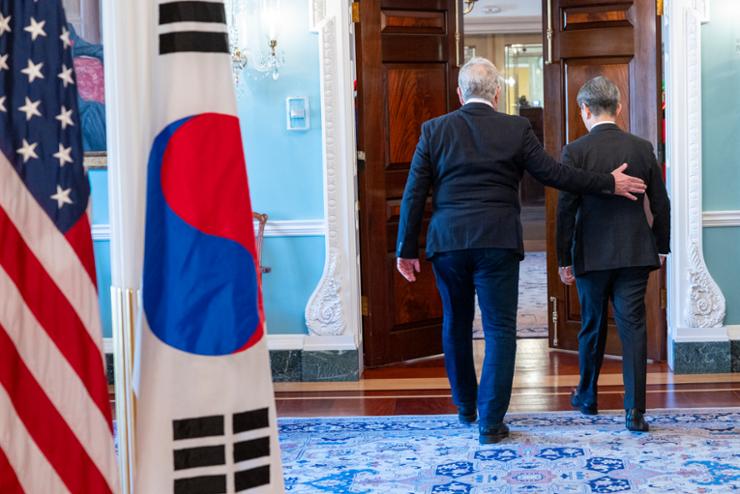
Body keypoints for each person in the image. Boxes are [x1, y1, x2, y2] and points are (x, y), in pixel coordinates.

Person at [395, 58, 647, 444]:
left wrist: (405, 248)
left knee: (455, 323)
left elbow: (414, 194)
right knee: (499, 330)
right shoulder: (515, 128)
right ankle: (491, 423)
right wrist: (606, 183)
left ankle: (466, 407)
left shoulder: (434, 130)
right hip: (497, 241)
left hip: (447, 243)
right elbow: (554, 174)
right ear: (498, 93)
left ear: (460, 94)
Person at [556, 76, 671, 432]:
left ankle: (587, 397)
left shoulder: (575, 151)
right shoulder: (641, 147)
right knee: (633, 327)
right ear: (619, 108)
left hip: (590, 253)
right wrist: (660, 245)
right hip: (635, 251)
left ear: (584, 111)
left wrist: (564, 258)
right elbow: (661, 202)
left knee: (592, 325)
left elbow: (566, 210)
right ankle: (635, 412)